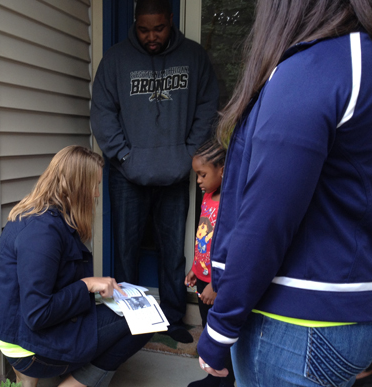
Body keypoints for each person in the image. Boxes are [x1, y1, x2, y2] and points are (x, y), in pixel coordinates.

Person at [194, 0, 372, 386]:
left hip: (300, 324)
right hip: (369, 305)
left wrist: (219, 330)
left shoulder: (313, 69)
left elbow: (265, 220)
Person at [90, 0, 219, 344]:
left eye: (158, 29)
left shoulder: (193, 57)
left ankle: (174, 318)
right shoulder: (116, 59)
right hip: (128, 174)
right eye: (144, 29)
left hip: (176, 174)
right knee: (126, 249)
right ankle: (129, 318)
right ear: (135, 24)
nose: (151, 36)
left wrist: (189, 154)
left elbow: (208, 106)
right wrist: (124, 156)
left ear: (170, 21)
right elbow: (103, 113)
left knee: (172, 250)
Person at [0, 146, 153, 387]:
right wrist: (87, 284)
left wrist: (92, 287)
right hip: (26, 343)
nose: (97, 194)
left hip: (21, 327)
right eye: (94, 186)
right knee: (145, 321)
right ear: (77, 188)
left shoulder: (45, 216)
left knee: (129, 311)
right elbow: (37, 314)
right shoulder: (42, 234)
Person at [184, 139, 234, 387]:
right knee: (207, 327)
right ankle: (213, 374)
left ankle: (225, 381)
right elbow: (204, 235)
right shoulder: (208, 196)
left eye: (202, 174)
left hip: (218, 282)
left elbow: (231, 249)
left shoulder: (231, 202)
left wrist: (216, 284)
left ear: (222, 170)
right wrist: (196, 267)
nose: (199, 181)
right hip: (203, 277)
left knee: (220, 331)